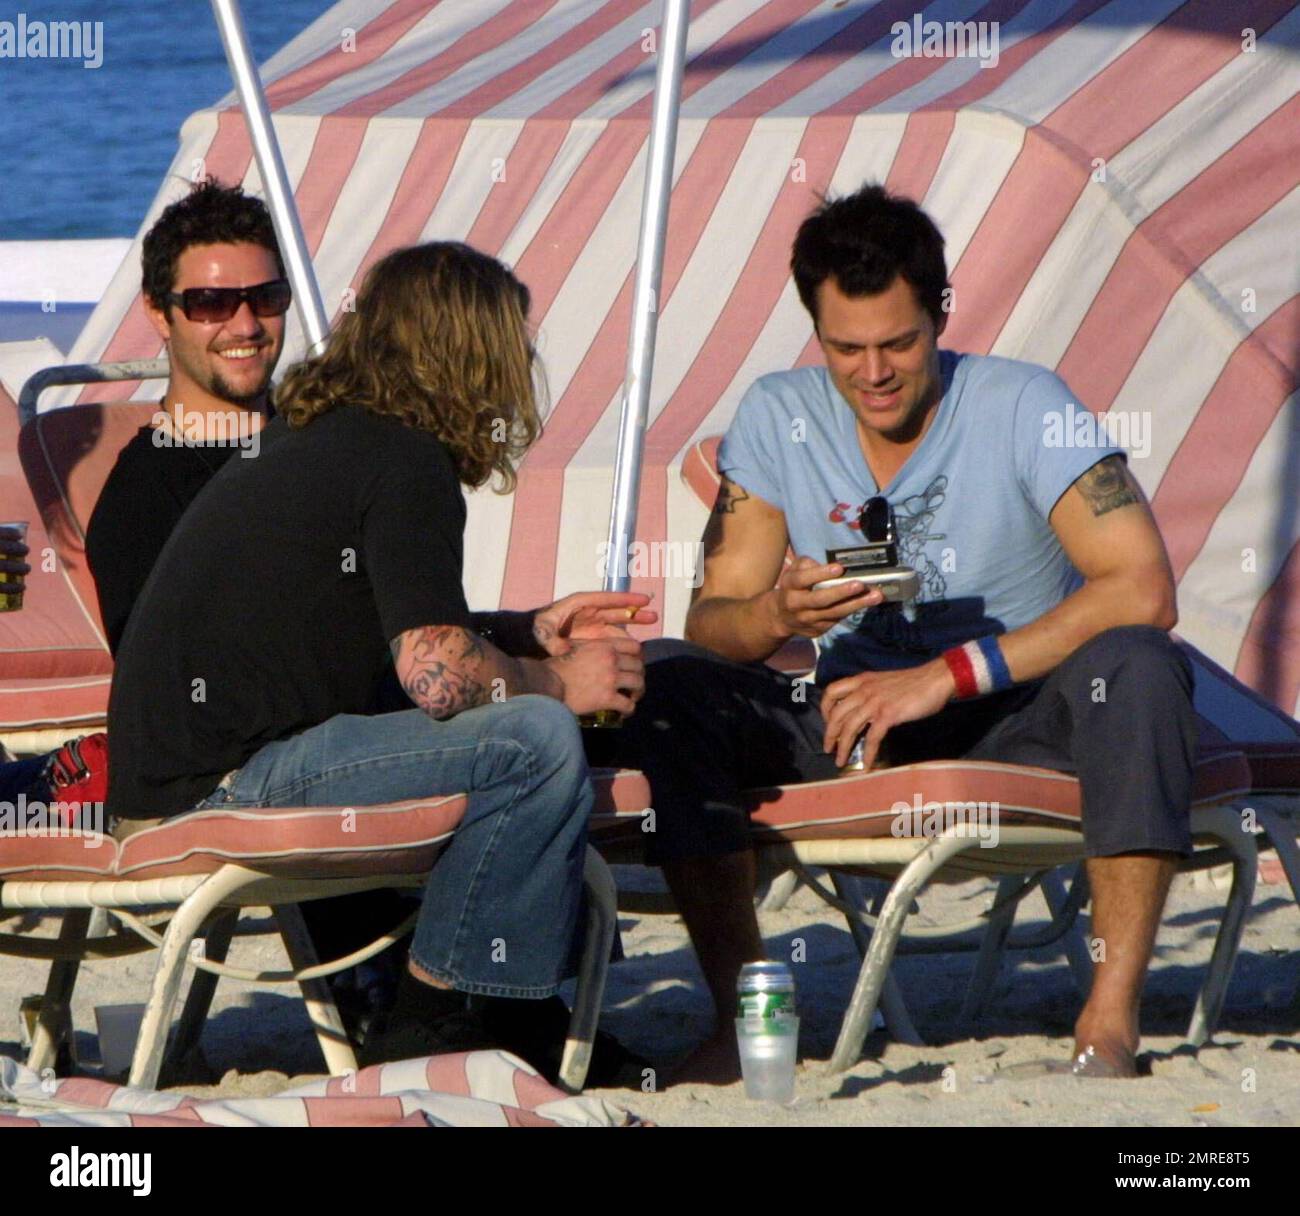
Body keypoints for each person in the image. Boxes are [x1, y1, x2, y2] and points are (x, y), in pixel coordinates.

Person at [618, 183, 1194, 1083]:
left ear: (941, 317)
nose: (874, 371)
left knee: (1138, 665)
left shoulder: (1022, 403)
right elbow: (711, 622)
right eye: (846, 348)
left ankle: (1109, 1020)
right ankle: (743, 1020)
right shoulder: (779, 414)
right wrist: (778, 616)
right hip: (852, 714)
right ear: (816, 332)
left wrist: (946, 674)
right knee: (672, 681)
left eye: (899, 342)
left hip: (1018, 708)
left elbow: (1145, 586)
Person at [104, 240, 652, 1073]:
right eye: (511, 344)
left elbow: (380, 627)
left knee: (532, 721)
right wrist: (557, 681)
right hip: (219, 787)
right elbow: (436, 675)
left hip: (191, 770)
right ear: (470, 354)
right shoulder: (400, 458)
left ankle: (487, 1004)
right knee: (535, 741)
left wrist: (525, 632)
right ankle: (446, 1019)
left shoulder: (324, 436)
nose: (521, 365)